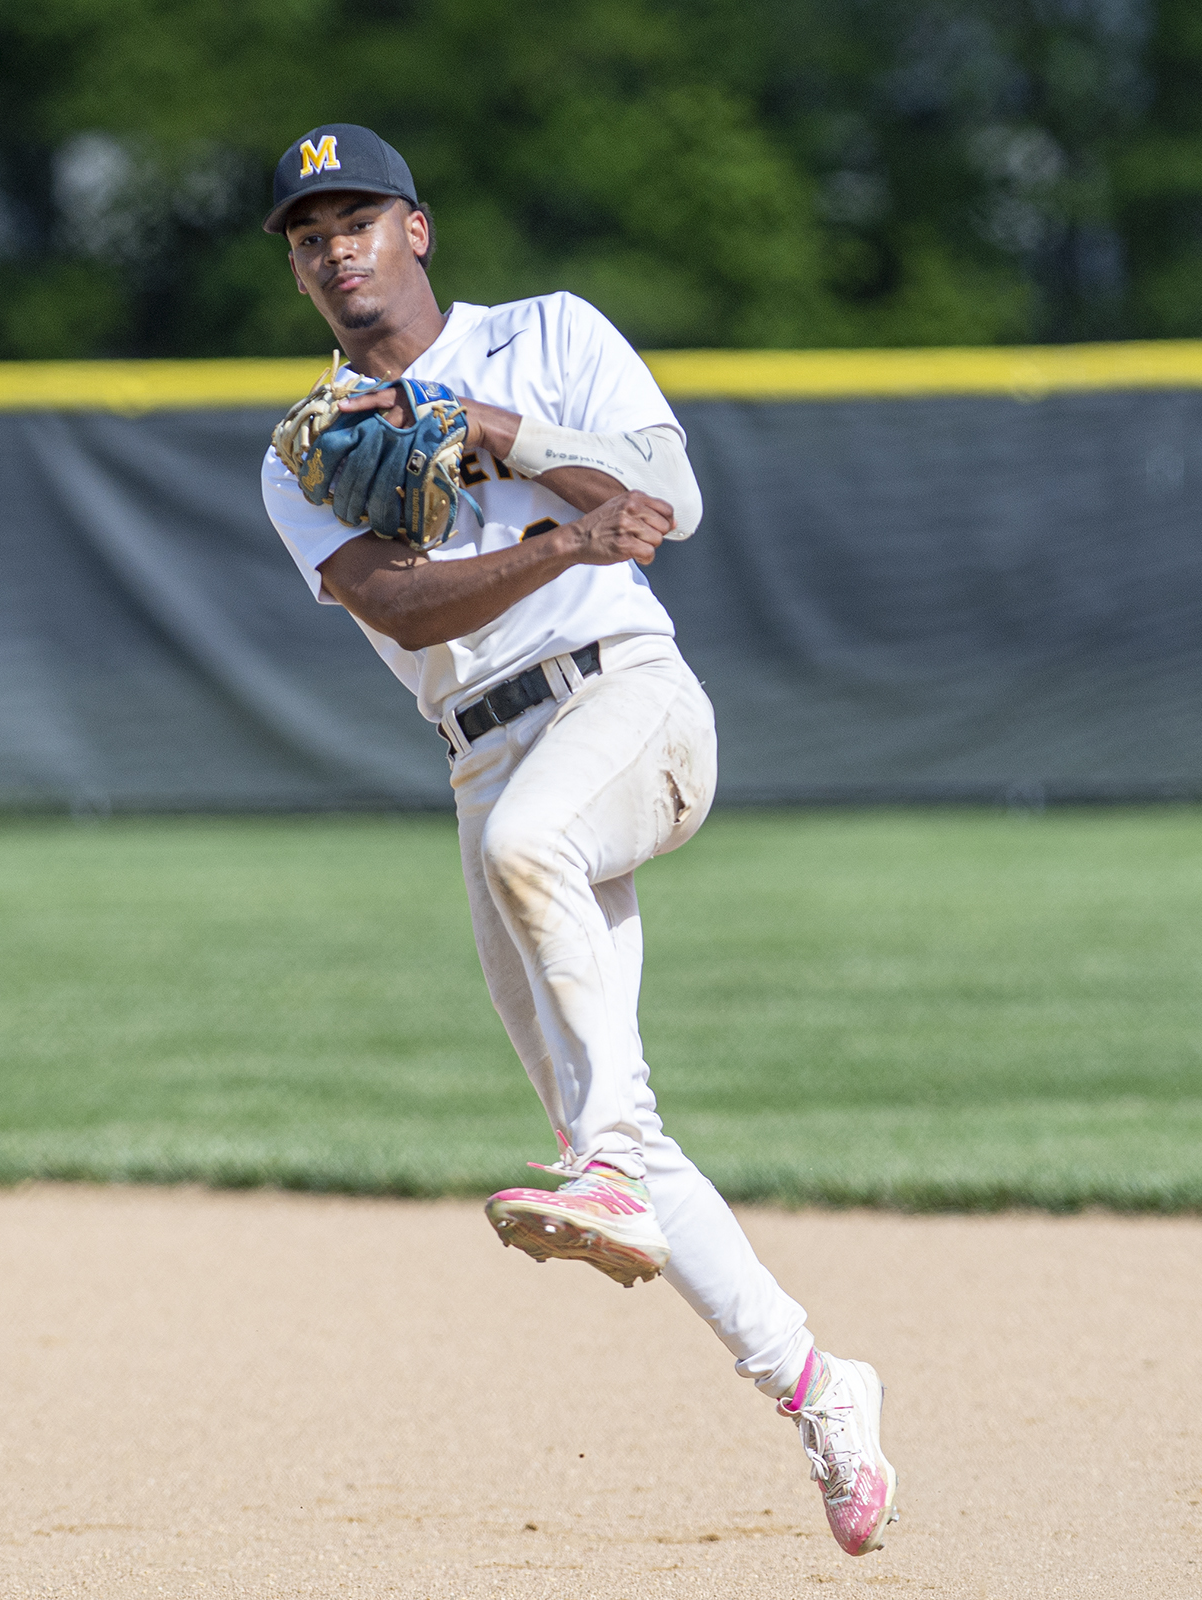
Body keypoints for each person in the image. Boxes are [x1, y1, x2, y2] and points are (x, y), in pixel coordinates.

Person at [255, 123, 898, 1558]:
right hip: (481, 758)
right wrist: (548, 540)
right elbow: (403, 609)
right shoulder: (311, 450)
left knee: (538, 859)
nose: (335, 246)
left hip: (627, 699)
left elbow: (669, 500)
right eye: (309, 235)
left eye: (357, 216)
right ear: (298, 271)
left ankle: (602, 1170)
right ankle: (816, 1385)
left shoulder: (549, 335)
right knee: (611, 1117)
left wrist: (498, 438)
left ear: (417, 229)